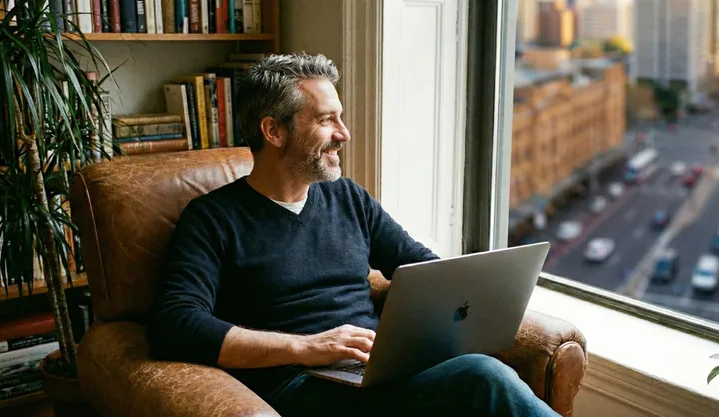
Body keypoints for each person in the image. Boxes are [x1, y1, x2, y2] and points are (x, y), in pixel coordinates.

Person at [146, 53, 559, 417]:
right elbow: (176, 324)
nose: (343, 133)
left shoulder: (347, 198)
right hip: (300, 385)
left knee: (482, 373)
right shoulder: (212, 219)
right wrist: (307, 347)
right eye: (326, 120)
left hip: (374, 374)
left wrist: (476, 294)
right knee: (483, 377)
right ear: (273, 131)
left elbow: (421, 266)